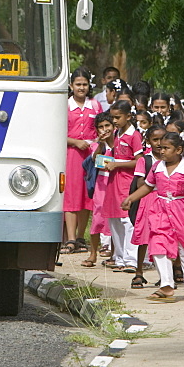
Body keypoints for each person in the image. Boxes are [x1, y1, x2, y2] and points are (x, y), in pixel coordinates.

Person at [121, 132, 184, 303]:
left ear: (178, 150)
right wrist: (131, 198)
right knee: (158, 245)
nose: (161, 151)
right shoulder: (157, 167)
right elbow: (148, 187)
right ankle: (166, 285)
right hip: (160, 211)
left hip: (183, 213)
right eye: (160, 147)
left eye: (166, 148)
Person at [98, 100, 142, 273]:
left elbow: (139, 161)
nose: (115, 121)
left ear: (128, 116)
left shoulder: (134, 135)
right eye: (113, 117)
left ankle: (132, 260)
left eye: (118, 117)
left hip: (126, 182)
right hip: (114, 181)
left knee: (127, 219)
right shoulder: (117, 134)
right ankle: (120, 257)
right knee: (114, 219)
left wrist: (117, 164)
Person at [62, 67, 102, 254]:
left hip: (91, 154)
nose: (81, 88)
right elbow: (57, 132)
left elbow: (102, 129)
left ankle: (80, 236)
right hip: (71, 153)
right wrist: (75, 142)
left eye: (84, 84)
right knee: (71, 194)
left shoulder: (94, 105)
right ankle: (69, 238)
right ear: (71, 85)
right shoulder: (65, 105)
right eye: (78, 84)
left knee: (87, 195)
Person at [128, 124, 165, 289]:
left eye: (161, 140)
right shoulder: (145, 160)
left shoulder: (170, 160)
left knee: (164, 238)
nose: (158, 143)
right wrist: (156, 180)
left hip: (165, 201)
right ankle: (139, 271)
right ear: (147, 141)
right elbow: (140, 182)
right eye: (154, 139)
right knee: (144, 238)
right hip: (148, 200)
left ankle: (165, 275)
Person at [85, 111, 115, 269]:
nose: (104, 129)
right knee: (97, 218)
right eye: (101, 127)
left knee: (115, 220)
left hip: (116, 182)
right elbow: (95, 159)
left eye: (107, 126)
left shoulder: (119, 143)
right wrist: (102, 145)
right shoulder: (97, 145)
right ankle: (93, 252)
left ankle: (114, 253)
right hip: (101, 183)